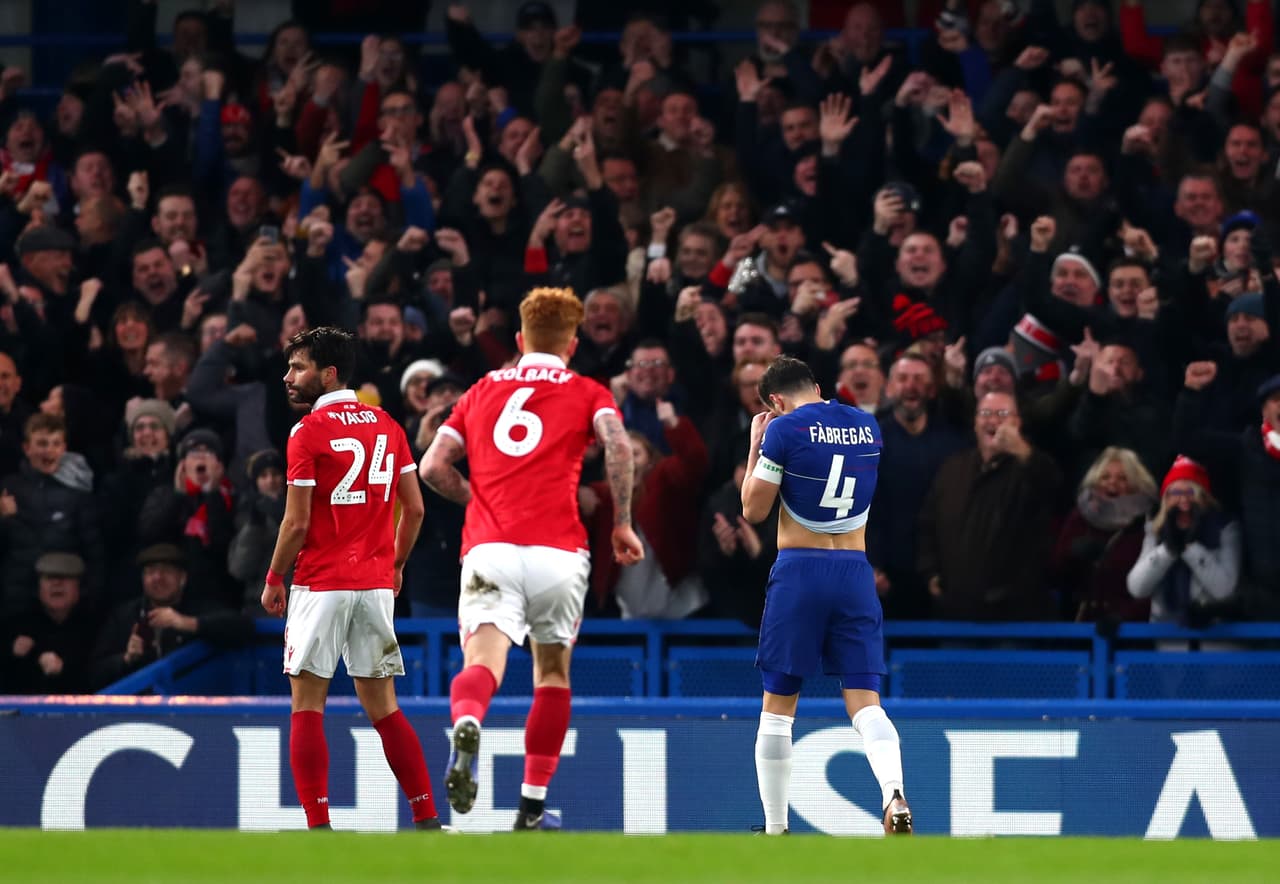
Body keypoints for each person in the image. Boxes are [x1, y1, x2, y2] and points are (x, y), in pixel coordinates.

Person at [419, 286, 643, 831]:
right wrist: (621, 521)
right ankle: (531, 808)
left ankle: (469, 721)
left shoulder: (480, 391)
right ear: (571, 344)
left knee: (482, 665)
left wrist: (483, 502)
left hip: (491, 549)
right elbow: (618, 445)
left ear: (519, 341)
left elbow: (431, 467)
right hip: (559, 552)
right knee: (551, 674)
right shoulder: (588, 391)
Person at [260, 327, 444, 832]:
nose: (288, 377)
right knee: (384, 709)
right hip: (375, 585)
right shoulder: (387, 426)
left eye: (298, 368)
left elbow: (296, 522)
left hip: (320, 582)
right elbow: (416, 508)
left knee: (307, 705)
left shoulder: (307, 432)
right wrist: (396, 565)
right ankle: (426, 816)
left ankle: (319, 827)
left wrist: (275, 576)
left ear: (329, 373)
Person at [739, 355, 911, 836]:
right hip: (855, 571)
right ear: (816, 386)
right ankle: (893, 792)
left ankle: (775, 829)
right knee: (866, 702)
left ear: (775, 402)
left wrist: (756, 446)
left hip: (800, 570)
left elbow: (753, 509)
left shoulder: (783, 431)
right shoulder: (867, 427)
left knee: (778, 708)